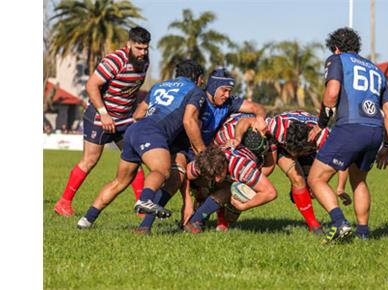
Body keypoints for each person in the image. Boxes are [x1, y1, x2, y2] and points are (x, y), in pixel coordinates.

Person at [134, 69, 268, 234]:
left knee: (226, 185)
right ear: (212, 87)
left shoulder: (228, 102)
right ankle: (145, 226)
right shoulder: (198, 100)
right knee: (175, 180)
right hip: (184, 148)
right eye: (224, 90)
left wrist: (260, 120)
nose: (227, 95)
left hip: (207, 153)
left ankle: (196, 221)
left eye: (229, 91)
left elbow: (256, 107)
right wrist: (186, 201)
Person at [76, 60, 206, 229]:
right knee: (161, 171)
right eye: (202, 79)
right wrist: (201, 150)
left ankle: (86, 220)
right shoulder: (195, 91)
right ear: (198, 78)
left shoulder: (159, 86)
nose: (203, 82)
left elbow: (138, 113)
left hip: (134, 130)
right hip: (153, 132)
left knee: (120, 182)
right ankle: (145, 199)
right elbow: (189, 120)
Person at [307, 27, 388, 243]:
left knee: (316, 178)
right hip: (375, 130)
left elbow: (332, 93)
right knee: (359, 180)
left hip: (350, 127)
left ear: (336, 48)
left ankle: (340, 223)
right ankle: (363, 234)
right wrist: (387, 145)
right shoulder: (376, 69)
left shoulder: (337, 60)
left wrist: (321, 123)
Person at [54, 26, 151, 217]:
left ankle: (141, 208)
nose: (143, 52)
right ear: (129, 44)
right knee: (90, 160)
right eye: (139, 48)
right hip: (99, 117)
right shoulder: (114, 60)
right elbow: (91, 86)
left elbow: (131, 91)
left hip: (124, 120)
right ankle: (63, 203)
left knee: (134, 160)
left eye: (146, 48)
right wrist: (103, 113)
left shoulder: (144, 63)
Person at [183, 144, 278, 233]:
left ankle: (214, 214)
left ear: (225, 163)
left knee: (230, 216)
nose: (217, 179)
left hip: (240, 180)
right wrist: (187, 202)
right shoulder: (202, 164)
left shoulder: (241, 167)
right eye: (213, 175)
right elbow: (185, 175)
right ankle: (196, 219)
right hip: (226, 176)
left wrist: (244, 206)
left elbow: (270, 193)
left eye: (219, 173)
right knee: (199, 183)